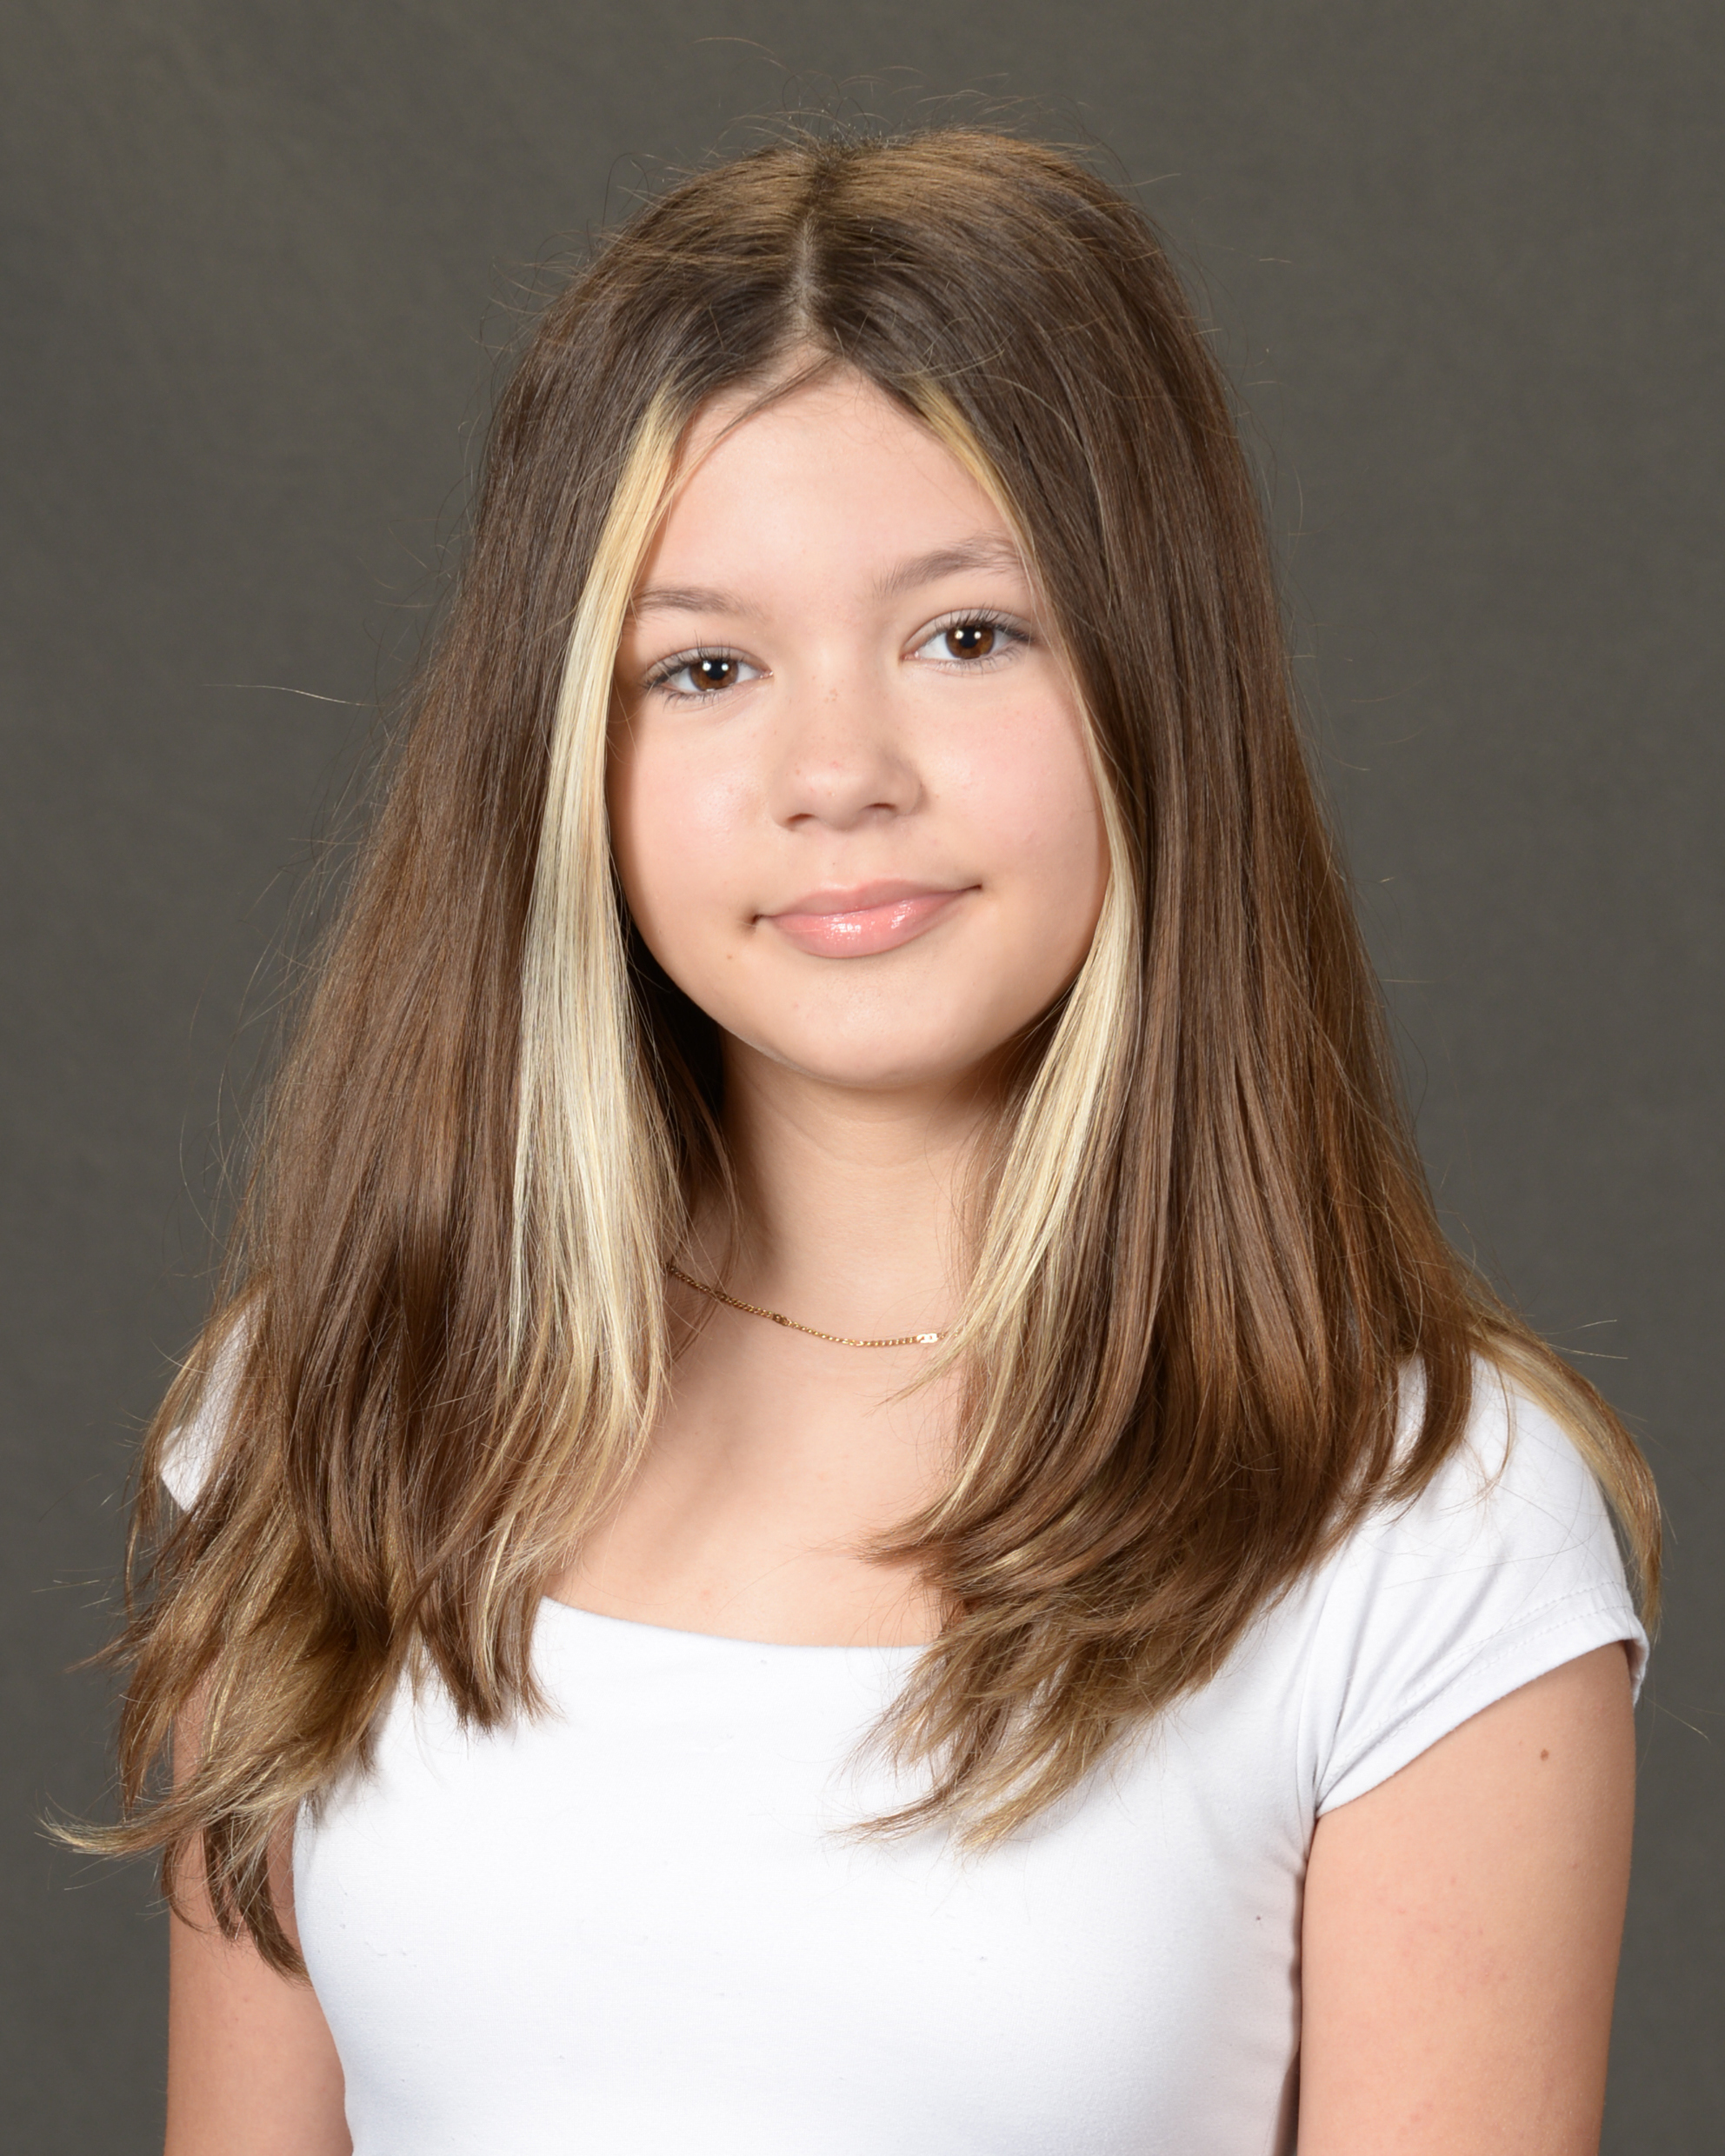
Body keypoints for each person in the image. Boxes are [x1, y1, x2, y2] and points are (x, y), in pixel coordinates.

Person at [84, 130, 1658, 2155]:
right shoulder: (335, 1407)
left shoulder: (1421, 1526)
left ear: (1155, 679)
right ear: (565, 753)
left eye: (964, 635)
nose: (835, 774)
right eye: (703, 666)